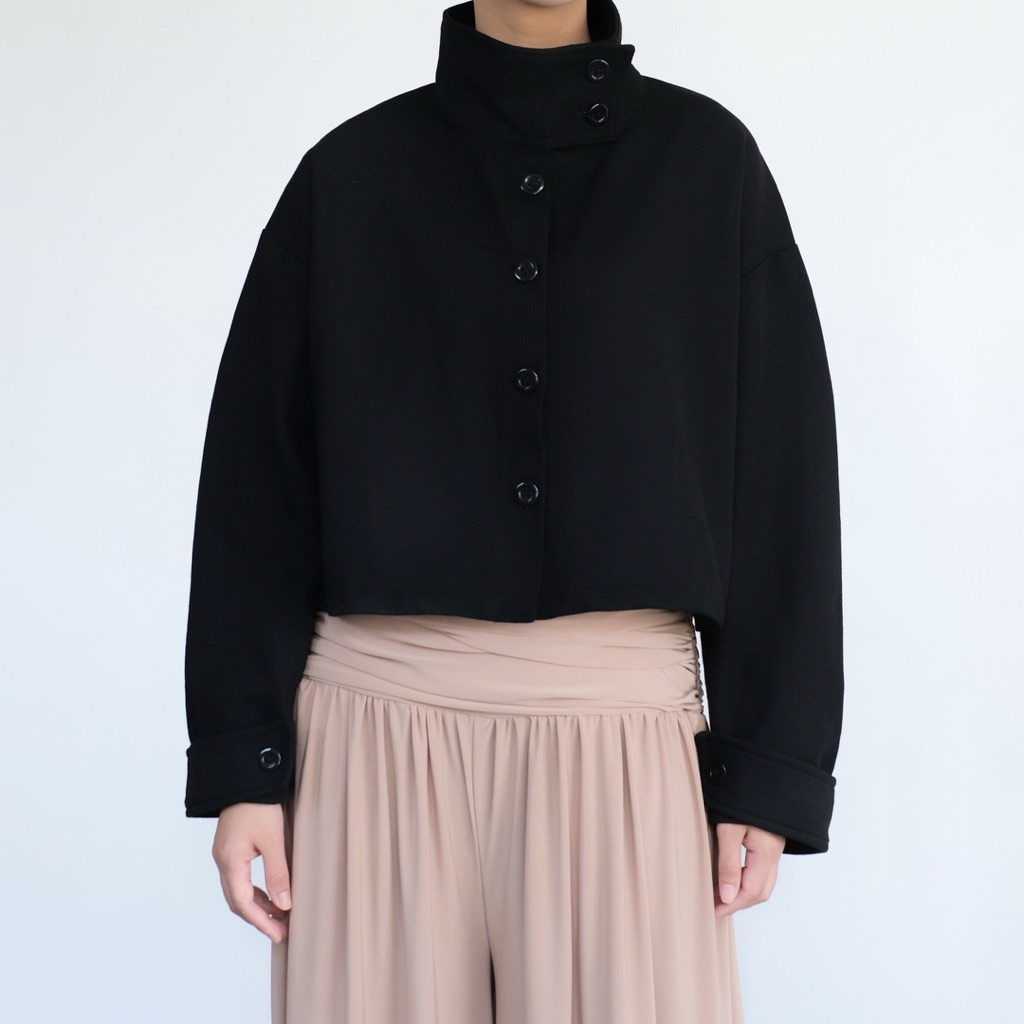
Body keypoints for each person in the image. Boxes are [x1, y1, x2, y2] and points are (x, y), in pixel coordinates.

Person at [182, 1, 844, 1021]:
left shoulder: (710, 169)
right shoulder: (348, 176)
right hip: (371, 744)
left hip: (622, 747)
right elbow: (255, 490)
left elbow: (779, 479)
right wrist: (244, 763)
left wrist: (771, 765)